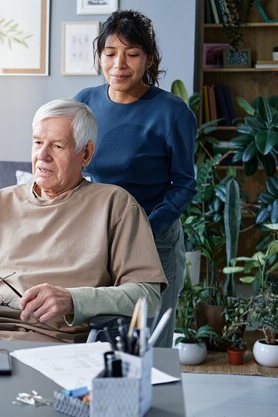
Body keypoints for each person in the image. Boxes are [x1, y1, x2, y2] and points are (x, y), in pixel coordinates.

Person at [0, 98, 167, 343]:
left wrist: (73, 300)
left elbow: (146, 294)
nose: (42, 155)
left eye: (57, 146)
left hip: (61, 346)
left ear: (86, 153)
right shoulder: (1, 202)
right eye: (38, 143)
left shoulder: (116, 205)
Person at [74, 10, 196, 348]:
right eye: (110, 53)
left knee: (148, 343)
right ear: (99, 56)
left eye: (132, 54)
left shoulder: (172, 112)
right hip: (100, 237)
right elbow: (72, 169)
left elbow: (185, 183)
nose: (119, 64)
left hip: (154, 240)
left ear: (149, 59)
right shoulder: (84, 103)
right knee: (101, 339)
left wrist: (146, 228)